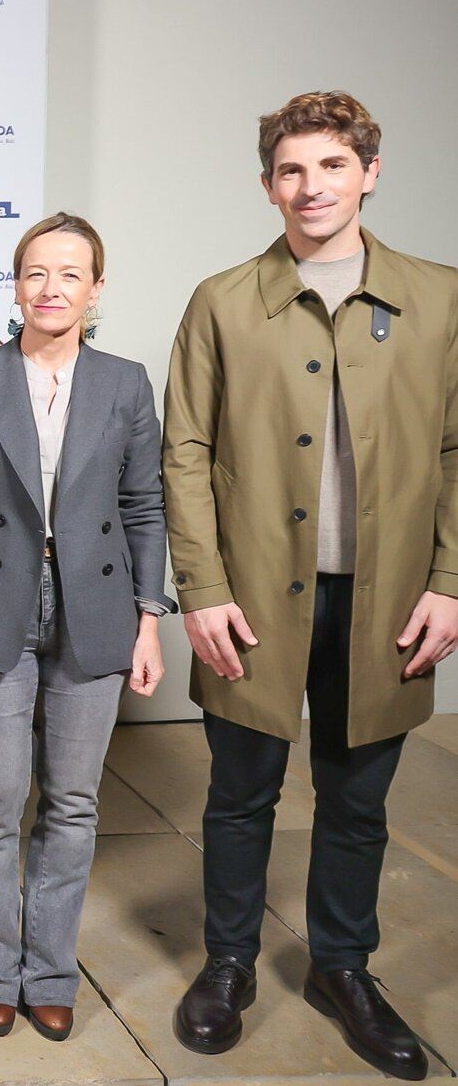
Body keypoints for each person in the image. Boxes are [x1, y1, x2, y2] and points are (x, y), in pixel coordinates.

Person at [165, 92, 455, 1080]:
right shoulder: (221, 299)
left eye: (332, 164)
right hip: (250, 596)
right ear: (266, 185)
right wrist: (200, 588)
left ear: (369, 171)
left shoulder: (442, 297)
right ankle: (229, 962)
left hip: (386, 600)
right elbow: (186, 449)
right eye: (291, 169)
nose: (311, 185)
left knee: (358, 797)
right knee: (238, 793)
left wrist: (451, 581)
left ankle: (344, 966)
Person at [0, 213, 171, 1040]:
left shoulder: (124, 382)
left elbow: (142, 507)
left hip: (96, 607)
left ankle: (49, 970)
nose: (50, 289)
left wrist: (149, 620)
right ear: (13, 286)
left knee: (72, 803)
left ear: (95, 289)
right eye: (34, 273)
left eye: (69, 274)